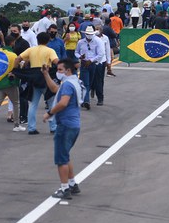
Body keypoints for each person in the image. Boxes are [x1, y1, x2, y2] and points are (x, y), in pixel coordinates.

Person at [42, 58, 83, 200]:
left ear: (68, 70)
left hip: (65, 124)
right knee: (65, 155)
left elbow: (63, 103)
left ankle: (64, 188)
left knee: (61, 158)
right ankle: (72, 184)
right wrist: (46, 74)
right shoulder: (74, 82)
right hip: (74, 124)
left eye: (60, 70)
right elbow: (55, 89)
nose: (58, 73)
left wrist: (49, 113)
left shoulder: (67, 85)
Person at [14, 31, 59, 134]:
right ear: (48, 40)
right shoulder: (50, 50)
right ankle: (53, 127)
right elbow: (56, 61)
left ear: (37, 40)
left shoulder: (31, 50)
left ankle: (31, 128)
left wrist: (15, 70)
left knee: (33, 104)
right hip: (46, 77)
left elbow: (17, 59)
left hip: (34, 78)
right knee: (52, 103)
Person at [0, 44, 26, 133]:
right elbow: (17, 67)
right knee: (16, 103)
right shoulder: (13, 55)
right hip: (9, 83)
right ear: (12, 43)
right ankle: (16, 125)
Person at [74, 25, 104, 110]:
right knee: (86, 83)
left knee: (90, 82)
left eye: (90, 34)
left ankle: (84, 98)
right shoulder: (80, 42)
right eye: (87, 34)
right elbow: (76, 52)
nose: (89, 35)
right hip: (84, 64)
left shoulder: (97, 41)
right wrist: (80, 56)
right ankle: (87, 101)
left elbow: (100, 54)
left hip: (93, 64)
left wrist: (91, 60)